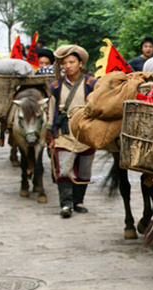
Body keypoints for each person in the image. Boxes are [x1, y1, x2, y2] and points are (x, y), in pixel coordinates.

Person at [48, 45, 97, 218]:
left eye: (71, 62)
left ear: (80, 63)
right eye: (64, 63)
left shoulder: (91, 84)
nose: (68, 66)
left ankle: (78, 201)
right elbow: (51, 110)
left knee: (84, 171)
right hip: (64, 132)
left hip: (85, 132)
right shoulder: (55, 86)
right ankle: (66, 204)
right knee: (63, 171)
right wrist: (50, 134)